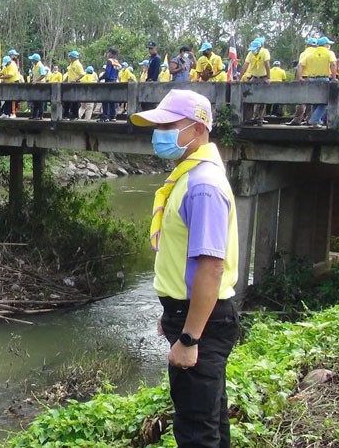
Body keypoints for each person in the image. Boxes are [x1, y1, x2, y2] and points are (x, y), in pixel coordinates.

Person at [130, 89, 239, 448]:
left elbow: (211, 268)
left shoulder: (202, 185)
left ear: (196, 128)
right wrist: (173, 315)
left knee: (196, 431)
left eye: (167, 124)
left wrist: (190, 337)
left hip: (202, 324)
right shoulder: (188, 176)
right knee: (210, 419)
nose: (158, 133)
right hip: (192, 313)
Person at [301, 36, 336, 129]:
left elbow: (300, 65)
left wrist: (300, 77)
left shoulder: (311, 54)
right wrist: (334, 78)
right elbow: (333, 64)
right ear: (325, 45)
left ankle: (316, 122)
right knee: (324, 102)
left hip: (312, 79)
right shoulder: (329, 53)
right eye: (328, 44)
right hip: (323, 79)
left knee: (316, 102)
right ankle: (314, 120)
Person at [286, 37, 319, 126]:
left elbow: (300, 66)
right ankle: (309, 119)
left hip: (304, 77)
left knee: (301, 100)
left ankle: (297, 120)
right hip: (315, 78)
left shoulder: (304, 53)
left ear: (307, 45)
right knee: (312, 100)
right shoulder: (318, 53)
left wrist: (298, 78)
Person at [240, 39, 271, 126]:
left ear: (259, 47)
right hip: (254, 77)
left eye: (255, 49)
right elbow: (245, 65)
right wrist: (239, 78)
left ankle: (259, 118)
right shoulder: (250, 54)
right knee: (249, 98)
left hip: (263, 77)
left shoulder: (264, 52)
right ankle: (249, 118)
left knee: (262, 99)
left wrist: (268, 77)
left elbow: (267, 64)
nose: (253, 51)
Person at [99, 49, 122, 122]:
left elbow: (107, 73)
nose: (107, 54)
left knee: (105, 99)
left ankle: (105, 116)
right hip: (114, 81)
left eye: (108, 53)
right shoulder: (117, 62)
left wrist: (100, 78)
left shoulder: (110, 61)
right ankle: (113, 116)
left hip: (109, 81)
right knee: (113, 100)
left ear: (111, 54)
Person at [64, 50, 85, 119]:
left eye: (71, 56)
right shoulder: (71, 64)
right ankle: (66, 115)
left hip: (76, 84)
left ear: (74, 57)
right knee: (67, 100)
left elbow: (82, 74)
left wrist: (75, 80)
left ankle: (75, 116)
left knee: (75, 101)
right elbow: (69, 73)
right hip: (70, 84)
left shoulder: (78, 64)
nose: (70, 58)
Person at [27, 53, 47, 119]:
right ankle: (34, 115)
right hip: (36, 84)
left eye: (32, 59)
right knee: (35, 101)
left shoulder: (40, 66)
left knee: (40, 101)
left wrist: (36, 80)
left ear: (35, 60)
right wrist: (33, 79)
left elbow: (43, 75)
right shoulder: (34, 66)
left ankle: (40, 116)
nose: (32, 60)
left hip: (40, 85)